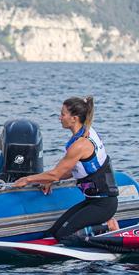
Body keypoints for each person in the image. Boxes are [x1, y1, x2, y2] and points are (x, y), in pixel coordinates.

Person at [13, 96, 119, 241]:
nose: (59, 118)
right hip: (93, 200)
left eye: (63, 114)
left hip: (103, 204)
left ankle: (109, 226)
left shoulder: (80, 144)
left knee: (64, 235)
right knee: (56, 231)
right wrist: (49, 179)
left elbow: (55, 174)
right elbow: (73, 170)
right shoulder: (86, 131)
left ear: (74, 118)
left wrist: (27, 179)